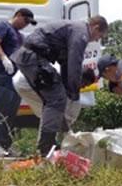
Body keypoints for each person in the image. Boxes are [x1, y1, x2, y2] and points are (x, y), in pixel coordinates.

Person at [11, 16, 108, 157]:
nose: (96, 40)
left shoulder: (74, 29)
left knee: (54, 98)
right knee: (57, 99)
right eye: (99, 36)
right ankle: (45, 148)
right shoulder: (81, 32)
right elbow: (75, 63)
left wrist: (68, 89)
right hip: (33, 57)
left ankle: (47, 145)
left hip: (30, 56)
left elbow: (65, 63)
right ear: (96, 27)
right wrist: (73, 94)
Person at [0, 8, 37, 156]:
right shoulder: (3, 26)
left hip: (15, 78)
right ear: (18, 15)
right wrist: (4, 58)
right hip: (2, 75)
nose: (26, 25)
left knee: (11, 111)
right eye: (25, 21)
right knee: (0, 109)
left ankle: (5, 144)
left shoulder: (20, 36)